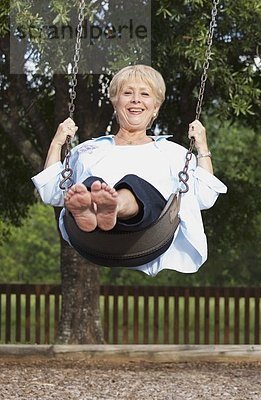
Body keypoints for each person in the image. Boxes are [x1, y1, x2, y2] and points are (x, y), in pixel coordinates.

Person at [32, 64, 227, 276]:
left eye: (145, 94)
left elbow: (206, 197)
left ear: (156, 107)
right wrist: (57, 143)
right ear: (115, 103)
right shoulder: (87, 150)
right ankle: (92, 208)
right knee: (93, 183)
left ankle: (110, 206)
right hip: (90, 240)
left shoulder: (173, 153)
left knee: (134, 184)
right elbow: (51, 192)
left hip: (145, 238)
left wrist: (202, 148)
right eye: (127, 93)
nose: (136, 100)